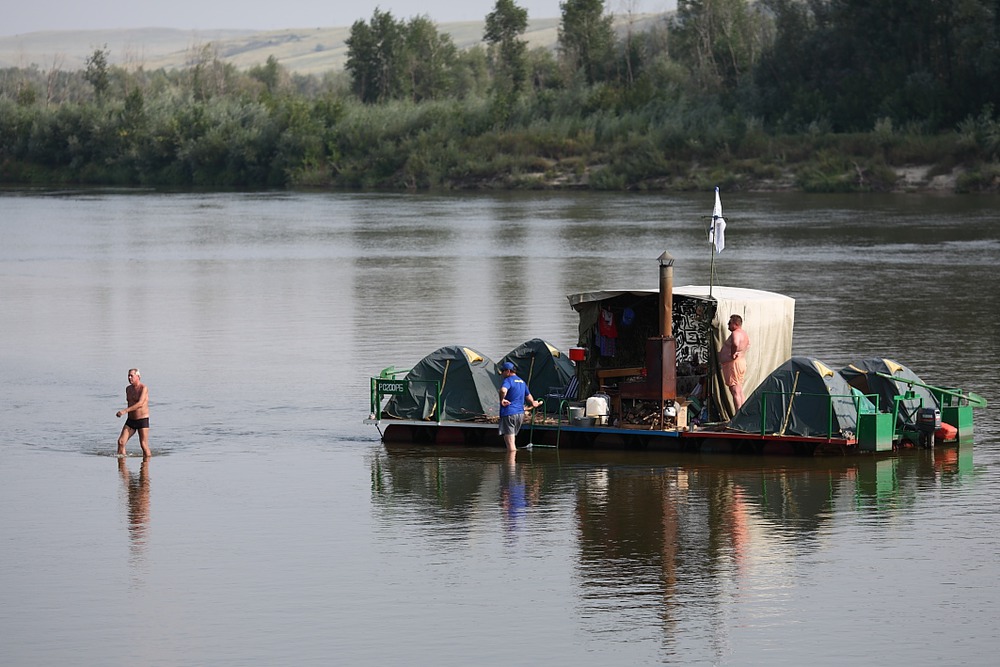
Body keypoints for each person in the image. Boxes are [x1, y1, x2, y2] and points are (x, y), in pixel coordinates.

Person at [498, 361, 540, 452]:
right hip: (520, 414)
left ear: (508, 371)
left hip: (509, 413)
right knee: (510, 438)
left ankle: (510, 464)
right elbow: (528, 396)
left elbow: (502, 390)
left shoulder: (508, 380)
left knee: (510, 444)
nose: (502, 374)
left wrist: (502, 400)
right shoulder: (522, 382)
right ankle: (511, 463)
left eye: (503, 371)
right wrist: (533, 402)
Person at [116, 368, 151, 458]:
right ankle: (122, 467)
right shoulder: (128, 389)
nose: (129, 377)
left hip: (142, 419)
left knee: (143, 445)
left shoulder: (143, 388)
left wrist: (124, 411)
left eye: (132, 375)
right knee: (121, 442)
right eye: (128, 376)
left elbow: (140, 404)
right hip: (131, 420)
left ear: (138, 376)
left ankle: (146, 467)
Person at [720, 314, 751, 410]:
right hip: (740, 363)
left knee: (735, 391)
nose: (728, 325)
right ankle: (742, 414)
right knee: (739, 390)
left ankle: (738, 414)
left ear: (735, 323)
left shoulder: (736, 333)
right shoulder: (744, 333)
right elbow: (748, 345)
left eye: (729, 323)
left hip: (733, 365)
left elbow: (735, 343)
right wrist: (740, 353)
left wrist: (733, 353)